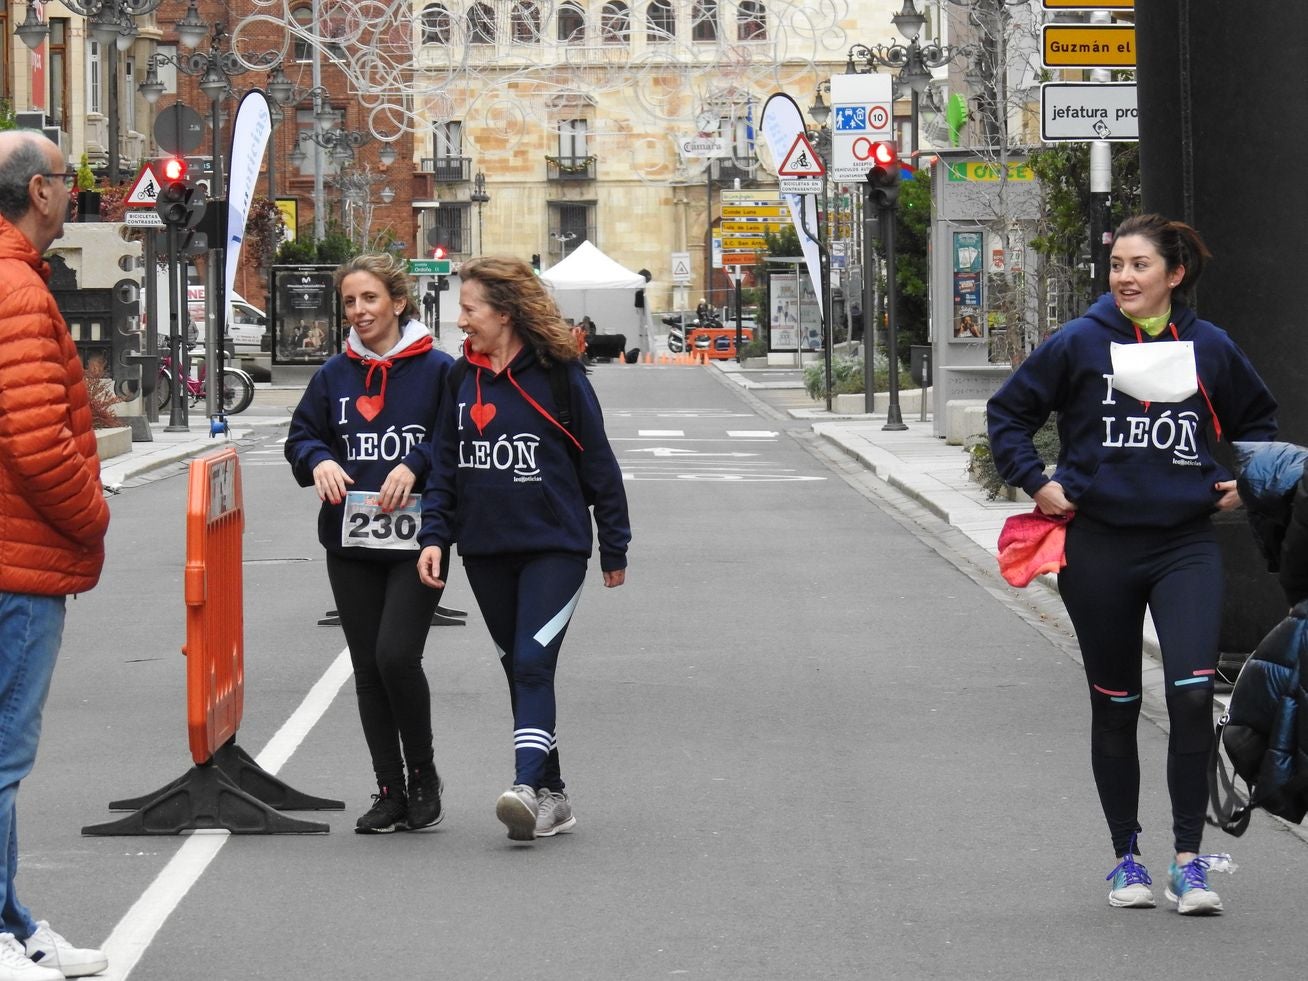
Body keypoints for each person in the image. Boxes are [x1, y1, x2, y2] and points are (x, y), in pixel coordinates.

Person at [986, 214, 1278, 915]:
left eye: (1139, 264)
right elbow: (1008, 414)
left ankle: (1188, 862)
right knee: (1116, 705)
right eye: (1117, 263)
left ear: (1174, 275)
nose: (1123, 276)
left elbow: (1259, 422)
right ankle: (1126, 858)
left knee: (1188, 693)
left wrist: (1250, 479)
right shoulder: (1081, 341)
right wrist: (1036, 480)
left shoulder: (1209, 346)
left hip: (1185, 545)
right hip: (1099, 547)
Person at [416, 255, 630, 842]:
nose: (460, 320)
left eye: (469, 309)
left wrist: (614, 545)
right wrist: (435, 536)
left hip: (555, 549)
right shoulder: (461, 380)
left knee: (533, 663)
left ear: (504, 313)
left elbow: (599, 466)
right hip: (485, 552)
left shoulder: (560, 377)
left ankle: (526, 789)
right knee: (520, 669)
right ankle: (555, 796)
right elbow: (444, 468)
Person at [285, 253, 455, 835]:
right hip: (351, 542)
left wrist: (416, 463)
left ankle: (424, 776)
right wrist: (320, 460)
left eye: (370, 300)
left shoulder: (439, 370)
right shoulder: (334, 375)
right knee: (366, 669)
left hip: (418, 542)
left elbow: (457, 437)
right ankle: (389, 789)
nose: (358, 312)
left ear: (398, 302)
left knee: (396, 657)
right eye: (350, 302)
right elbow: (301, 436)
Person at [0, 131, 111, 980]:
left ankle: (15, 922)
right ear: (39, 192)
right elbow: (35, 444)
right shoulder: (18, 289)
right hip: (19, 562)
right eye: (66, 180)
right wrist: (93, 513)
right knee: (3, 756)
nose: (75, 192)